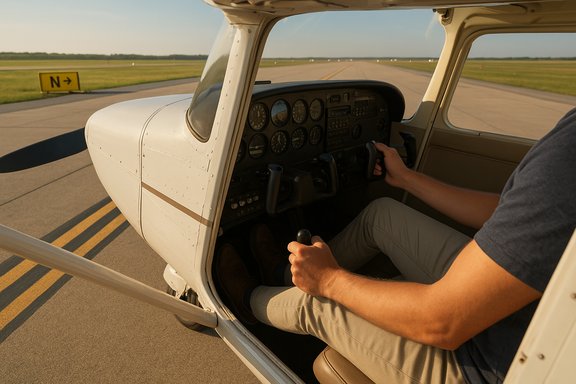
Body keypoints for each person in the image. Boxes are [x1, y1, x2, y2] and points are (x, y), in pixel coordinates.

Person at [217, 107, 576, 383]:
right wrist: (406, 178)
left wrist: (329, 280)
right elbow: (506, 210)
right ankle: (284, 273)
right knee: (383, 215)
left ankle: (247, 301)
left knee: (317, 303)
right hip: (526, 307)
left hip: (491, 364)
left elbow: (443, 322)